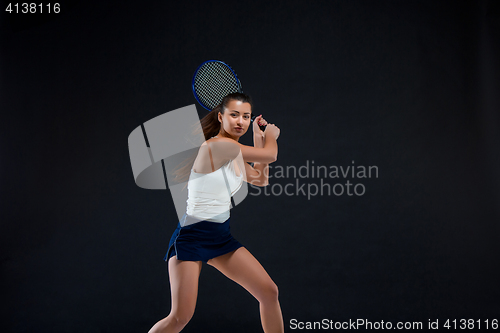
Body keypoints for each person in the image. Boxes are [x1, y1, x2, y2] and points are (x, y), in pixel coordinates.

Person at [148, 93, 283, 333]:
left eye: (246, 116)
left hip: (220, 237)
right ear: (221, 117)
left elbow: (261, 178)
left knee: (269, 292)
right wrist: (272, 137)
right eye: (234, 115)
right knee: (180, 317)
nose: (241, 121)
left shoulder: (235, 152)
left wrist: (258, 138)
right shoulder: (218, 146)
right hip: (192, 237)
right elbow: (271, 156)